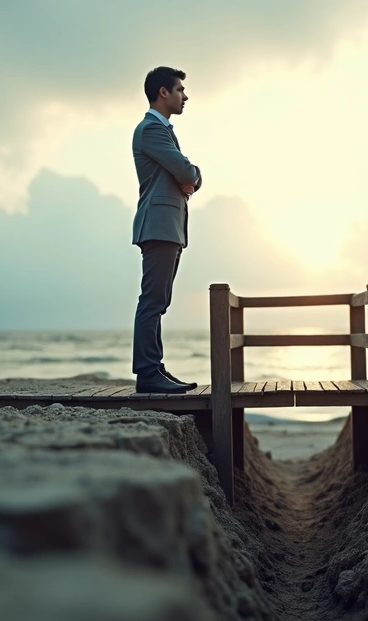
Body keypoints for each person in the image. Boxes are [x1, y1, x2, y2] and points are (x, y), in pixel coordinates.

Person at [130, 66, 202, 394]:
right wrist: (193, 174)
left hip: (168, 226)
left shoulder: (163, 130)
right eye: (180, 90)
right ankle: (147, 373)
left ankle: (155, 368)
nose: (185, 96)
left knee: (160, 301)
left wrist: (187, 178)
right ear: (163, 92)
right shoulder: (151, 130)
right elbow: (185, 170)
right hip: (159, 226)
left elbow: (183, 175)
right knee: (152, 301)